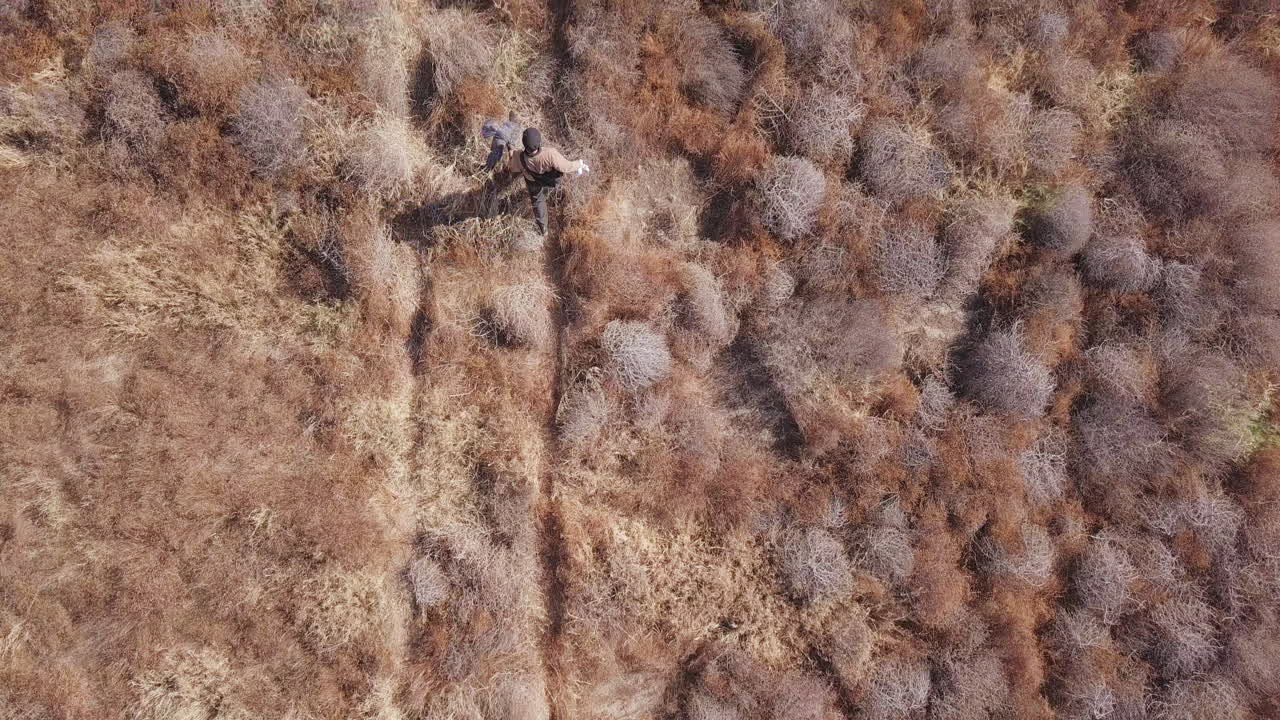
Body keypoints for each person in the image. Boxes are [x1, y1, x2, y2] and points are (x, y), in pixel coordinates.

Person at [505, 127, 590, 235]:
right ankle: (559, 199)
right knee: (556, 185)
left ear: (524, 143)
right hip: (549, 179)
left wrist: (511, 151)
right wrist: (579, 164)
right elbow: (566, 167)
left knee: (537, 201)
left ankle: (543, 229)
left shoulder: (519, 156)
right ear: (539, 141)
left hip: (532, 181)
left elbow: (511, 168)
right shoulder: (549, 154)